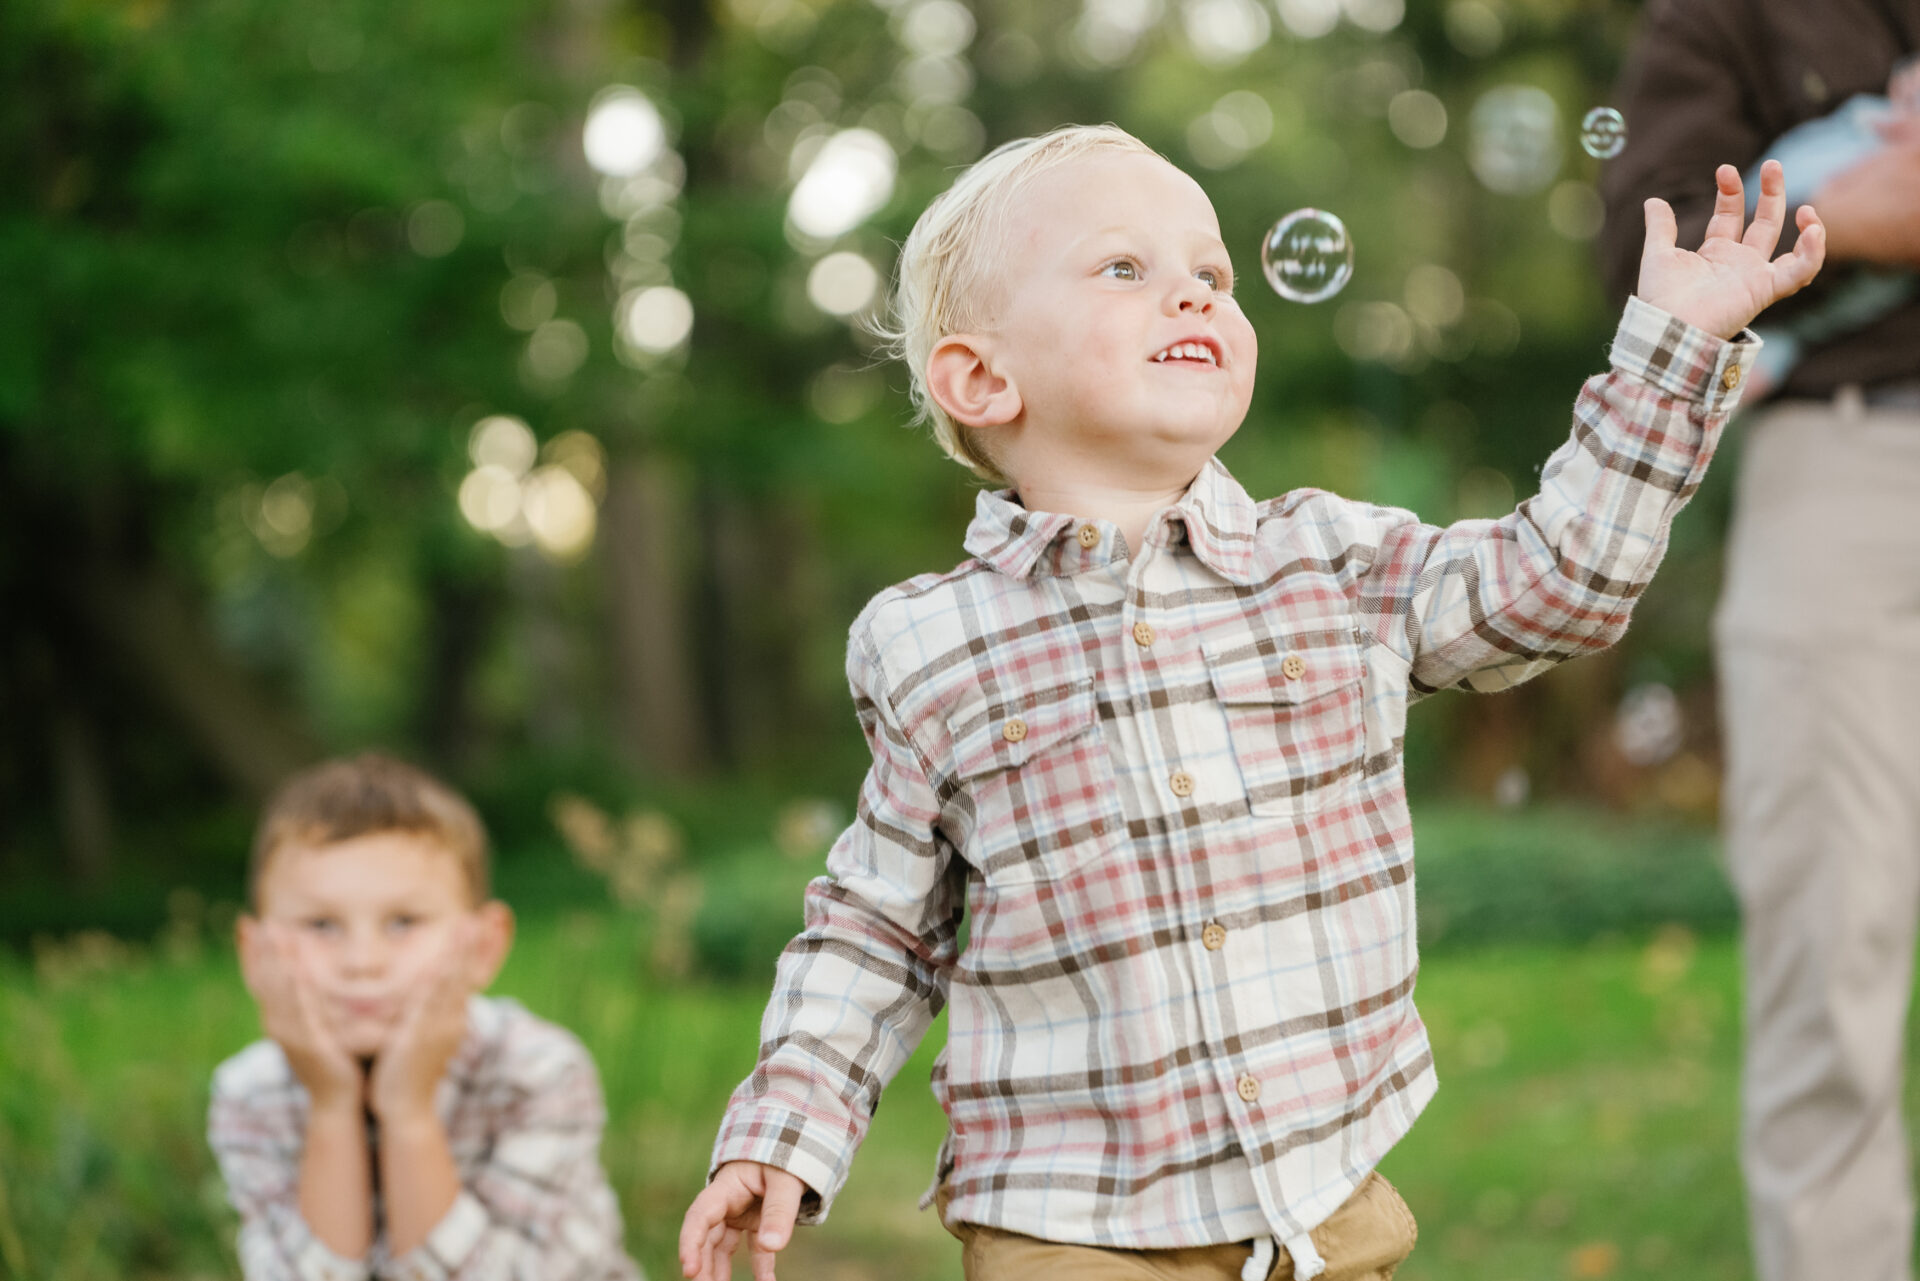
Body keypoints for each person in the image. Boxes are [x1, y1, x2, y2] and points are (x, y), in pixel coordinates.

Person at [681, 124, 1823, 1281]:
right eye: (1126, 269)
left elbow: (1560, 583)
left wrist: (1673, 345)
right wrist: (786, 1131)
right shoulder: (927, 642)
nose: (1193, 295)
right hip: (1070, 1220)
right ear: (982, 377)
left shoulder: (1332, 562)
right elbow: (878, 925)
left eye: (1213, 276)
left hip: (1323, 1201)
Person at [1599, 8, 1920, 1280]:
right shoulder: (1722, 12)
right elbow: (1644, 249)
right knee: (1827, 939)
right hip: (1849, 456)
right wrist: (1860, 216)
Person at [208, 753, 643, 1281]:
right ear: (256, 953)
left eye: (403, 922)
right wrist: (331, 1106)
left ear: (482, 946)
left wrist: (409, 1110)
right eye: (321, 925)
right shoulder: (250, 1094)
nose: (362, 963)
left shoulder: (540, 1072)